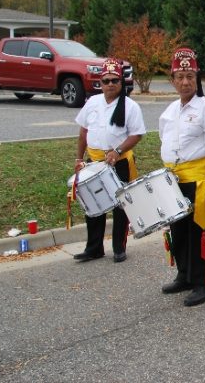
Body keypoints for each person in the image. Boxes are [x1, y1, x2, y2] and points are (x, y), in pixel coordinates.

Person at [159, 48, 205, 307]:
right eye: (180, 76)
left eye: (190, 76)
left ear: (197, 78)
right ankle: (185, 275)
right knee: (179, 231)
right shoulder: (170, 111)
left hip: (198, 179)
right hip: (174, 180)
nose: (185, 82)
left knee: (200, 232)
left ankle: (204, 283)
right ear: (172, 79)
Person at [74, 58, 145, 263]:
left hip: (119, 160)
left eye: (114, 80)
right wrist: (79, 158)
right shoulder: (92, 102)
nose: (110, 84)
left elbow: (137, 134)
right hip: (94, 161)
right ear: (100, 82)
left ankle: (119, 248)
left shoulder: (130, 106)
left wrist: (117, 150)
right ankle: (94, 248)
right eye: (106, 81)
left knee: (120, 205)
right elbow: (83, 132)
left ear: (121, 82)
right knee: (93, 204)